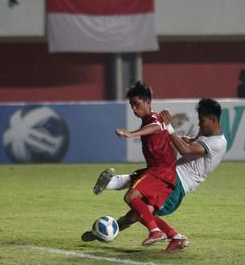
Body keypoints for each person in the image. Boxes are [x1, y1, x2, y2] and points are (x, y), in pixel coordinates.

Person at [83, 98, 227, 252]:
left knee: (136, 212)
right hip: (170, 174)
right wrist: (184, 139)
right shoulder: (206, 134)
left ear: (212, 119)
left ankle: (170, 235)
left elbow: (186, 150)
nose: (199, 123)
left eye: (202, 120)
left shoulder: (217, 143)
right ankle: (174, 237)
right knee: (137, 211)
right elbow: (190, 144)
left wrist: (169, 127)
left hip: (177, 184)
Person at [111, 81, 179, 248]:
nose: (134, 109)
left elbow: (156, 126)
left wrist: (130, 134)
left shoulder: (154, 118)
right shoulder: (149, 121)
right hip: (167, 174)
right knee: (142, 213)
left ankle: (155, 232)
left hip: (159, 171)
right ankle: (176, 237)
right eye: (132, 105)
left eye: (137, 104)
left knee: (131, 196)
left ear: (148, 102)